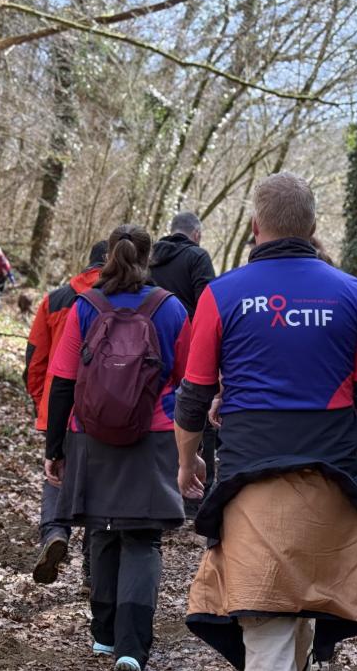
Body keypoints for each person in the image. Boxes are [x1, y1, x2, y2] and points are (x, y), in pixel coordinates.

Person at [173, 172, 357, 671]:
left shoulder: (221, 295)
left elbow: (193, 397)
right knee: (306, 612)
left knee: (268, 623)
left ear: (255, 226)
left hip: (249, 483)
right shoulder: (354, 295)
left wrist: (186, 461)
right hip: (334, 486)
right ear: (312, 227)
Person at [45, 224, 190, 671]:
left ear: (109, 256)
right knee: (143, 539)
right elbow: (188, 381)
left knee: (101, 530)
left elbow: (63, 381)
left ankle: (104, 636)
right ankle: (131, 646)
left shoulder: (85, 306)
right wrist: (193, 447)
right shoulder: (170, 308)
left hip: (90, 436)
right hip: (154, 435)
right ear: (149, 259)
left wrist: (55, 448)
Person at [25, 240, 107, 587]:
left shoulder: (56, 299)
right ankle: (92, 567)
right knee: (100, 482)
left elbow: (34, 360)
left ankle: (55, 533)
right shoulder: (126, 299)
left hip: (58, 405)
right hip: (105, 409)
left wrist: (41, 402)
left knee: (56, 473)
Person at [150, 211, 218, 503]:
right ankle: (197, 495)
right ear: (196, 234)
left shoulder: (149, 257)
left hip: (147, 348)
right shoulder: (197, 257)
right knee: (198, 411)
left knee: (155, 414)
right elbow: (209, 304)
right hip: (188, 347)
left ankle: (157, 489)